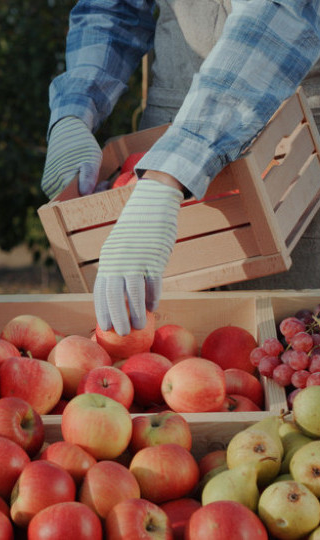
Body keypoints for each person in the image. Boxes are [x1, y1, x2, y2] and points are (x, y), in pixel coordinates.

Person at [42, 0, 320, 336]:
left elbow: (278, 14)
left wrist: (166, 175)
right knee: (167, 347)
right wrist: (74, 110)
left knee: (289, 335)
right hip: (163, 144)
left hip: (291, 147)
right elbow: (112, 9)